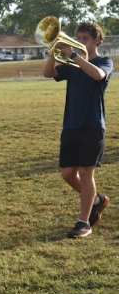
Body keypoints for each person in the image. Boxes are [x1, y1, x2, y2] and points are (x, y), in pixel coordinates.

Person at [43, 22, 112, 238]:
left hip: (92, 125)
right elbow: (47, 73)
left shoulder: (104, 61)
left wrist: (74, 55)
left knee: (85, 172)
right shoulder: (72, 65)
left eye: (85, 39)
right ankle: (97, 200)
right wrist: (53, 53)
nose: (80, 41)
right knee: (67, 173)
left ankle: (84, 223)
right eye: (78, 37)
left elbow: (98, 75)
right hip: (71, 124)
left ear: (97, 41)